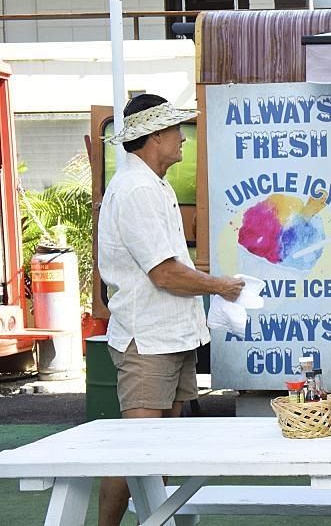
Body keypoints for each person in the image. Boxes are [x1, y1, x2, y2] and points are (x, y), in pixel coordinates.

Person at [96, 94, 244, 526]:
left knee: (158, 455)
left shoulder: (150, 184)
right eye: (176, 129)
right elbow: (164, 273)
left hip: (168, 335)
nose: (183, 137)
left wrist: (213, 283)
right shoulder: (138, 189)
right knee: (138, 453)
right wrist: (220, 286)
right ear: (155, 136)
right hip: (149, 340)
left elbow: (167, 268)